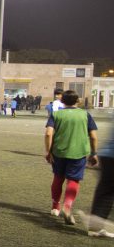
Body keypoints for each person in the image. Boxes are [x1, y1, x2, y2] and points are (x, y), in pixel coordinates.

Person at [45, 90, 98, 225]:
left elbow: (48, 134)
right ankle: (67, 206)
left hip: (59, 152)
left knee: (58, 178)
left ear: (62, 101)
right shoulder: (85, 115)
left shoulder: (56, 114)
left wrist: (48, 151)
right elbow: (93, 136)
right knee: (73, 180)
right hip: (78, 153)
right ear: (78, 101)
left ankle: (55, 207)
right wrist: (94, 153)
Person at [83, 109, 114, 238]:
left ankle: (95, 227)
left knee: (106, 192)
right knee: (107, 191)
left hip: (107, 155)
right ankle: (95, 223)